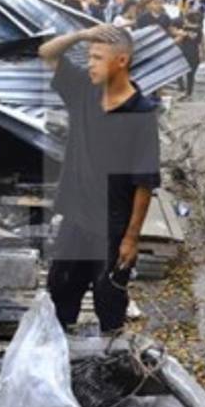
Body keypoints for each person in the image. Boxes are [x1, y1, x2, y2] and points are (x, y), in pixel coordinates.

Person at [38, 25, 160, 332]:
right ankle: (60, 357)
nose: (89, 63)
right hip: (76, 218)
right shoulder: (83, 90)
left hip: (113, 228)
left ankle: (109, 362)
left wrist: (131, 238)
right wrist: (81, 35)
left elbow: (144, 182)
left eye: (97, 57)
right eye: (88, 57)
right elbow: (46, 52)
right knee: (60, 290)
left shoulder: (141, 114)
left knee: (109, 301)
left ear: (121, 61)